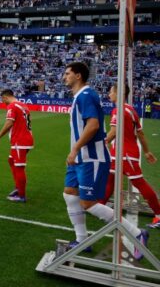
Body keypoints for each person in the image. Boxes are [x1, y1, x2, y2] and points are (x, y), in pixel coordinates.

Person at [61, 62, 148, 257]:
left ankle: (137, 233)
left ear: (78, 76)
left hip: (91, 157)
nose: (64, 77)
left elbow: (93, 125)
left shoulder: (86, 95)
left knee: (87, 203)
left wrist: (75, 149)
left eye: (67, 73)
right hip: (80, 158)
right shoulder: (79, 97)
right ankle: (83, 240)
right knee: (69, 193)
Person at [99, 83, 160, 228]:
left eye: (111, 92)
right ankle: (100, 207)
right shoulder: (131, 110)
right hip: (122, 151)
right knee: (110, 177)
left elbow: (113, 132)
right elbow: (140, 133)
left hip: (125, 153)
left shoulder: (118, 110)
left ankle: (159, 214)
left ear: (118, 93)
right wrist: (146, 151)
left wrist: (102, 142)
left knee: (139, 182)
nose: (109, 95)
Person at [0, 89, 34, 202]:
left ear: (5, 97)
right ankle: (18, 187)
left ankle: (21, 195)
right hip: (26, 138)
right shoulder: (22, 105)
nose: (2, 102)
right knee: (11, 161)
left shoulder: (12, 106)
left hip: (20, 141)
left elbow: (9, 122)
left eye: (2, 99)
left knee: (19, 167)